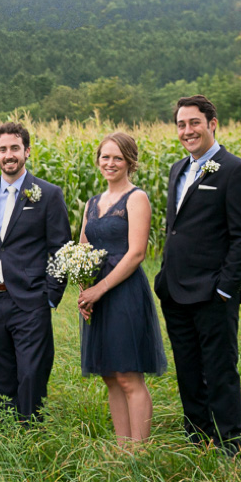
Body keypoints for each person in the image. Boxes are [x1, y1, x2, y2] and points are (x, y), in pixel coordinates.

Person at [154, 95, 241, 457]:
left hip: (213, 293)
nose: (187, 131)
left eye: (194, 122)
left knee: (219, 370)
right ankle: (197, 439)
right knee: (187, 369)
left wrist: (225, 290)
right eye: (181, 124)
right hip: (175, 291)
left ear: (212, 123)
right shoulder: (177, 169)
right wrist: (164, 277)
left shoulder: (235, 169)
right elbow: (178, 230)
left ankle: (231, 444)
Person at [0, 122, 71, 424]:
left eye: (15, 148)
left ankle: (31, 430)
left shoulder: (48, 194)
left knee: (31, 371)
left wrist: (50, 296)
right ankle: (10, 430)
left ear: (26, 151)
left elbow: (60, 248)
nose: (9, 154)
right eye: (3, 149)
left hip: (30, 299)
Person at [74, 133, 167, 446]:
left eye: (117, 157)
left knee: (128, 375)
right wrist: (86, 292)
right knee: (110, 375)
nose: (110, 163)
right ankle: (121, 448)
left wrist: (100, 288)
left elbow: (136, 253)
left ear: (130, 161)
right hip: (96, 296)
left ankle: (139, 453)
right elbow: (83, 251)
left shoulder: (136, 198)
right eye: (105, 157)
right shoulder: (92, 203)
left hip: (124, 293)